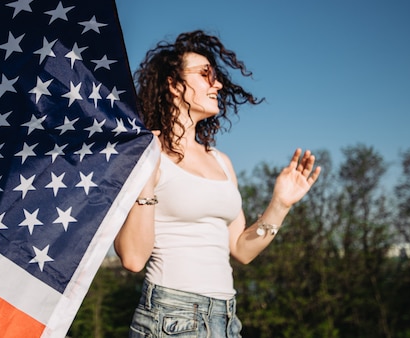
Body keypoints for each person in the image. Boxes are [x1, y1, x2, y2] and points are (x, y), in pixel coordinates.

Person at [114, 30, 321, 337]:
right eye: (205, 75)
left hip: (226, 319)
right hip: (171, 316)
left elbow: (241, 249)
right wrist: (145, 180)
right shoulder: (147, 154)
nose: (218, 84)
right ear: (172, 84)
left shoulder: (222, 161)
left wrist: (280, 204)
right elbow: (132, 258)